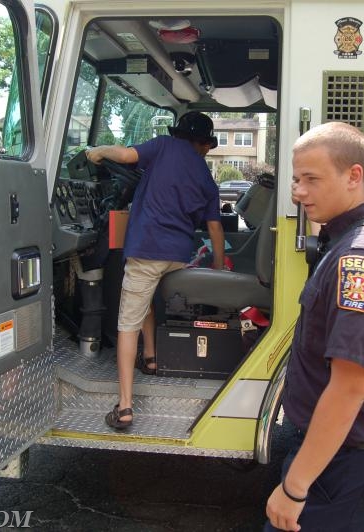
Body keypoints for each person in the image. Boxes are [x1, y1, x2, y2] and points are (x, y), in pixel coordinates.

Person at [265, 122, 364, 532]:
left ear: (354, 176)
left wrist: (295, 487)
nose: (298, 192)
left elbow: (350, 385)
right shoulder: (347, 241)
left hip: (344, 464)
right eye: (296, 180)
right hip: (339, 453)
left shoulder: (360, 258)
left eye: (312, 179)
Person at [86, 111, 226, 430]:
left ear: (180, 134)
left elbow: (125, 155)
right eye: (207, 145)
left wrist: (100, 150)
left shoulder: (163, 146)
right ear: (203, 142)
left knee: (127, 324)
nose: (205, 151)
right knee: (146, 298)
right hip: (177, 257)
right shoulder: (206, 178)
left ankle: (124, 406)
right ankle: (150, 357)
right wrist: (219, 272)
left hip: (147, 249)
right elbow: (215, 229)